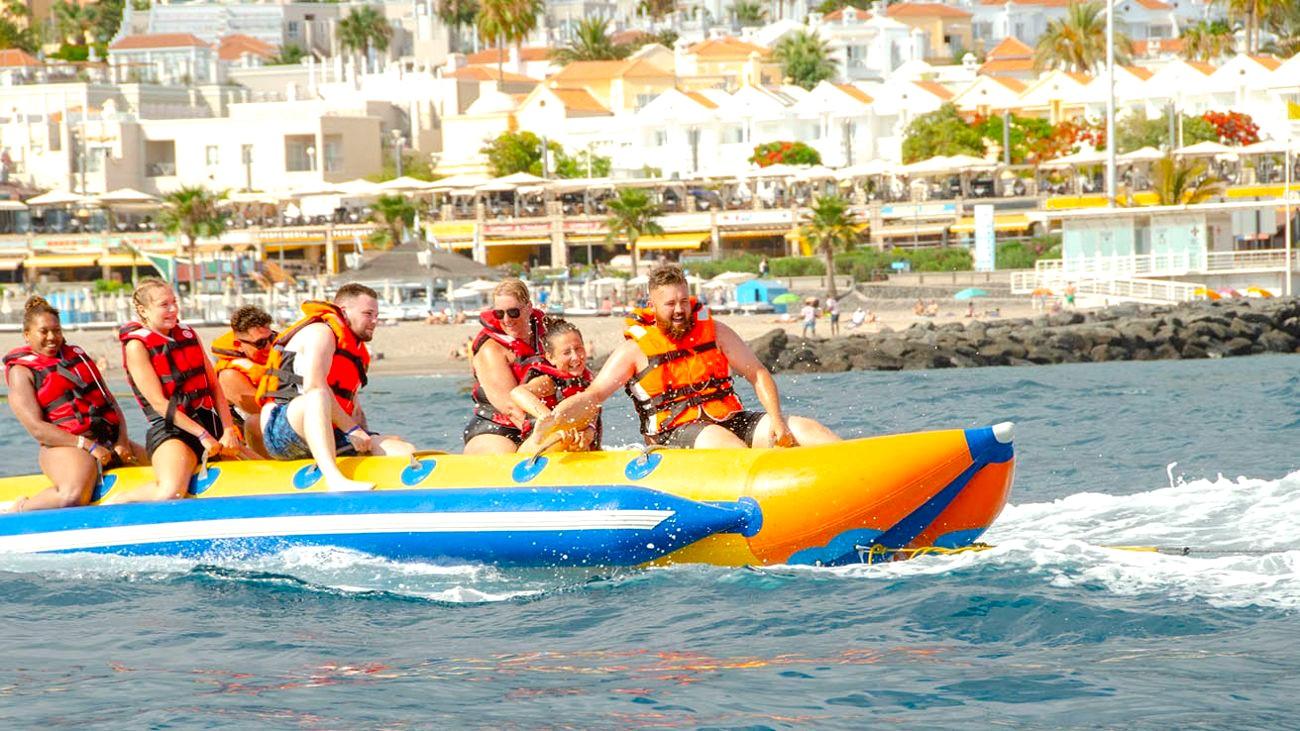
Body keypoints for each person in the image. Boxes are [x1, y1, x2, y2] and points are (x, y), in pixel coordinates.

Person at [534, 265, 840, 450]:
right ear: (652, 305)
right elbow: (594, 395)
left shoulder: (716, 332)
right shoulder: (634, 350)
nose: (680, 310)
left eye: (683, 300)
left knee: (805, 428)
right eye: (670, 304)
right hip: (674, 432)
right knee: (727, 445)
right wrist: (554, 419)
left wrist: (776, 421)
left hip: (728, 419)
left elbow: (757, 372)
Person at [257, 283, 415, 492]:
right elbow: (313, 386)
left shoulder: (354, 350)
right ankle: (334, 479)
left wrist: (365, 437)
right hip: (284, 430)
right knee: (318, 394)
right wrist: (351, 429)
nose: (375, 321)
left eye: (377, 314)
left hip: (329, 432)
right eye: (368, 313)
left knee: (401, 449)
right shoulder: (320, 332)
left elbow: (353, 407)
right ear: (343, 311)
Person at [2, 296, 148, 512]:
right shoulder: (21, 372)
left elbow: (111, 403)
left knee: (160, 471)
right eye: (44, 331)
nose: (52, 337)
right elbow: (37, 429)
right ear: (27, 335)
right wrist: (88, 445)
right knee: (72, 496)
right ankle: (21, 507)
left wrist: (122, 440)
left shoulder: (77, 357)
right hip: (65, 446)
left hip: (108, 440)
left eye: (57, 331)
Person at [104, 279, 243, 505]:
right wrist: (202, 435)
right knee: (171, 492)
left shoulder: (188, 334)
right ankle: (120, 502)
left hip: (210, 423)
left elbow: (214, 386)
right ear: (143, 310)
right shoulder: (137, 347)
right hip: (172, 430)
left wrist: (228, 430)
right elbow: (159, 403)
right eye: (164, 304)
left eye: (174, 302)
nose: (173, 309)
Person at [463, 279, 547, 455]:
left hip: (541, 420)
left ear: (529, 307)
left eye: (513, 312)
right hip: (495, 429)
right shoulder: (491, 350)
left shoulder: (548, 334)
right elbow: (511, 409)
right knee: (508, 455)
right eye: (499, 314)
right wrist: (548, 435)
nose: (507, 320)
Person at [511, 318, 601, 454]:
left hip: (573, 445)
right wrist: (546, 418)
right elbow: (517, 392)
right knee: (559, 434)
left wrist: (589, 432)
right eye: (566, 353)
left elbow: (592, 414)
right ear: (550, 358)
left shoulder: (589, 382)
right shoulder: (549, 382)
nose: (576, 357)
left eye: (578, 349)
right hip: (537, 448)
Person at [210, 305, 274, 457]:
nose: (269, 346)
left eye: (271, 338)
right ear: (239, 344)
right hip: (246, 446)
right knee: (255, 421)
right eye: (260, 343)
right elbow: (269, 414)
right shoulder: (229, 376)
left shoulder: (276, 356)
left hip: (278, 434)